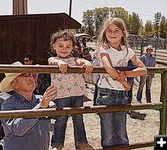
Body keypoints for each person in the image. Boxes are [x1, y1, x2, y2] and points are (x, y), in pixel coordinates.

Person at [95, 17, 147, 148]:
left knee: (121, 131)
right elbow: (110, 71)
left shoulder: (127, 51)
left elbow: (143, 70)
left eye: (116, 30)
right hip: (106, 93)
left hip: (121, 94)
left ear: (122, 33)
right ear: (105, 33)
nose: (112, 34)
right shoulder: (103, 49)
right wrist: (125, 83)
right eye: (109, 31)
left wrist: (127, 74)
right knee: (108, 132)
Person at [48, 30, 94, 150]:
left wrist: (87, 62)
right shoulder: (53, 60)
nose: (64, 49)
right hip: (62, 95)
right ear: (54, 46)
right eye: (61, 46)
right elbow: (52, 62)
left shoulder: (75, 59)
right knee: (61, 118)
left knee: (78, 117)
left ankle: (82, 142)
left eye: (68, 46)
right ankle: (57, 144)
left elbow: (81, 61)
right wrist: (59, 62)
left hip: (77, 93)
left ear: (73, 47)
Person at [0, 61, 57, 150]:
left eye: (29, 74)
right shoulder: (8, 105)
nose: (30, 77)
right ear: (14, 84)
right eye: (25, 75)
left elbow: (58, 114)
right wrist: (41, 107)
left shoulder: (40, 99)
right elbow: (18, 129)